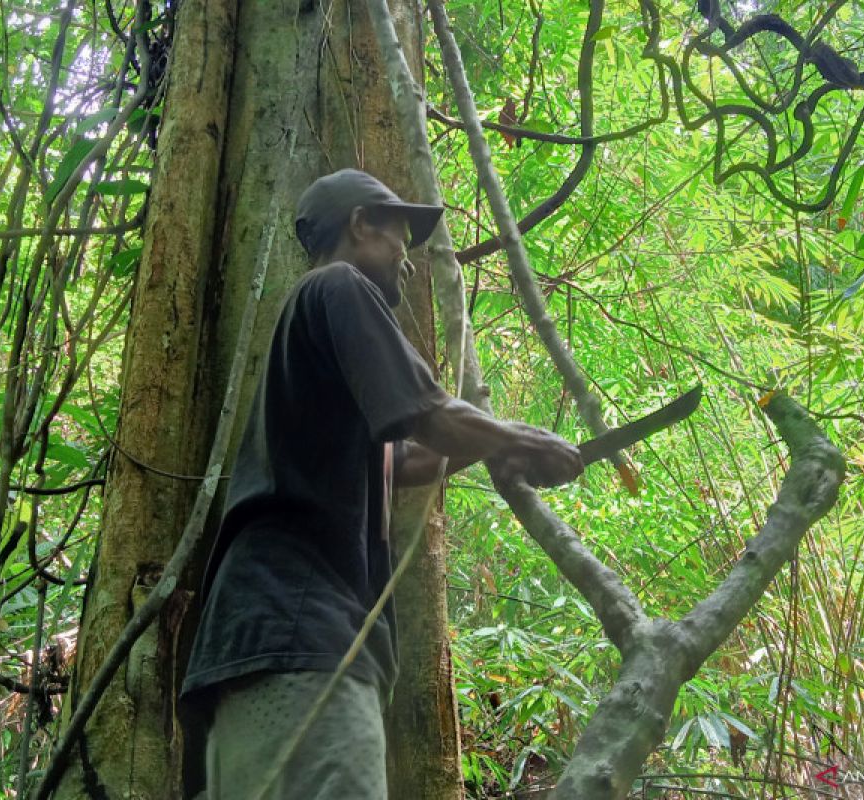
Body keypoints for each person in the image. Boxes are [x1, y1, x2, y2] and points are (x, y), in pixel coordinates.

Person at [181, 168, 582, 800]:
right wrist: (519, 439)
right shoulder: (338, 285)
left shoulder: (311, 329)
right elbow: (429, 413)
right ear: (360, 223)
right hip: (300, 635)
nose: (408, 259)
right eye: (399, 235)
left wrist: (494, 446)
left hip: (261, 644)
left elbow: (406, 460)